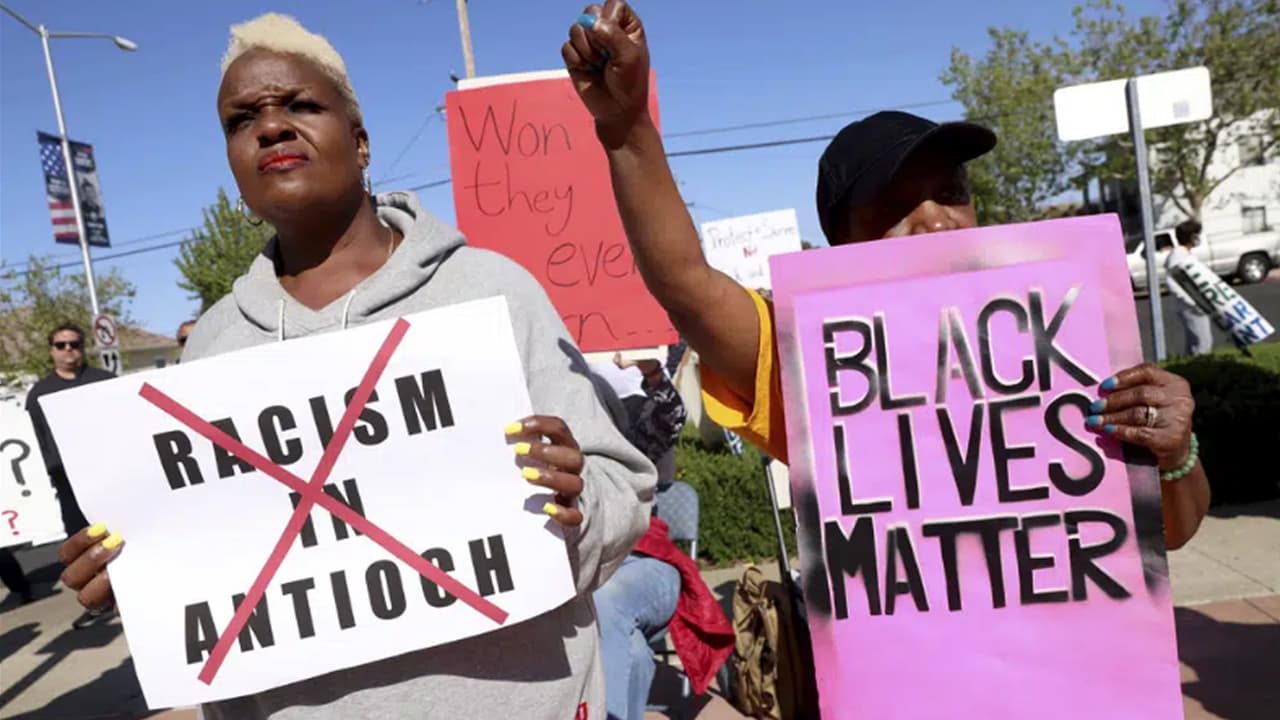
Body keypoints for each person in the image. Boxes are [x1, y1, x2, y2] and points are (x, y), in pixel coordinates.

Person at [57, 14, 655, 719]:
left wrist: (575, 507)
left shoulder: (491, 291)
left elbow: (624, 491)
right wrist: (141, 582)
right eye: (241, 119)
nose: (270, 127)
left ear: (362, 142)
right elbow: (216, 594)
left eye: (300, 105)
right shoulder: (211, 349)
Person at [562, 0, 1209, 550]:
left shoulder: (1063, 339)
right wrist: (627, 131)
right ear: (841, 245)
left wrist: (1175, 454)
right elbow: (685, 281)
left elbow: (1170, 534)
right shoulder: (817, 366)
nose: (934, 222)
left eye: (950, 192)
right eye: (897, 207)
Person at [588, 353, 732, 720]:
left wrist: (652, 372)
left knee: (607, 598)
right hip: (584, 573)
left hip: (645, 565)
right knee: (633, 654)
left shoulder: (631, 437)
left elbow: (669, 418)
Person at [26, 323, 115, 537]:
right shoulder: (39, 393)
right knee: (83, 543)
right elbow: (38, 440)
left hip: (113, 475)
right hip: (69, 485)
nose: (68, 348)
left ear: (83, 347)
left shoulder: (105, 381)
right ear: (52, 350)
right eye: (60, 344)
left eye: (74, 343)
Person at [1165, 220, 1214, 356]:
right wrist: (1192, 301)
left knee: (1195, 342)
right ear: (1191, 237)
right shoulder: (1177, 256)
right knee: (1203, 344)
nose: (1199, 238)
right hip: (1190, 307)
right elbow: (1172, 282)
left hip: (1194, 305)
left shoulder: (1184, 254)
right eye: (1197, 235)